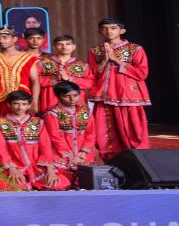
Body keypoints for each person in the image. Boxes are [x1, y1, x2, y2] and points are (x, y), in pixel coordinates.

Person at [87, 18, 151, 160]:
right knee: (104, 133)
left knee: (134, 131)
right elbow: (92, 74)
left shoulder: (135, 49)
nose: (109, 31)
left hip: (128, 96)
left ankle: (140, 162)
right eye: (105, 28)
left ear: (122, 31)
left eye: (113, 28)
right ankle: (112, 162)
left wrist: (116, 60)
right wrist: (104, 60)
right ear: (100, 31)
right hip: (104, 96)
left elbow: (142, 73)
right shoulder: (95, 51)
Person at [0, 91, 68, 191]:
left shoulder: (38, 122)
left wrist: (50, 170)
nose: (20, 107)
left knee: (58, 184)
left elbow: (45, 146)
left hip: (36, 165)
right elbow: (1, 148)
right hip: (13, 164)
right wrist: (11, 168)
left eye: (24, 104)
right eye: (16, 103)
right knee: (16, 187)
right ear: (9, 105)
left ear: (29, 105)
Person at [43, 81, 95, 186]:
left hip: (82, 155)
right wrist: (70, 156)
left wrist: (82, 153)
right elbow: (55, 137)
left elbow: (91, 134)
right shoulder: (52, 113)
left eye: (75, 95)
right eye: (66, 96)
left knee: (90, 182)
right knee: (59, 184)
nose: (72, 99)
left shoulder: (85, 112)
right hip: (61, 155)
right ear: (58, 96)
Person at [0, 25, 40, 120]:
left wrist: (34, 102)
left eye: (5, 37)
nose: (1, 41)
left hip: (22, 101)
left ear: (14, 39)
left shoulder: (28, 58)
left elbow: (35, 81)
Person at [38, 35, 94, 114]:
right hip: (50, 98)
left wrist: (69, 78)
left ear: (74, 47)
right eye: (60, 44)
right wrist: (53, 79)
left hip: (76, 101)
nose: (64, 47)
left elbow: (91, 83)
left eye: (68, 44)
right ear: (54, 47)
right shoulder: (43, 62)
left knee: (76, 119)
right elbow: (35, 80)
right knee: (50, 119)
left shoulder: (82, 65)